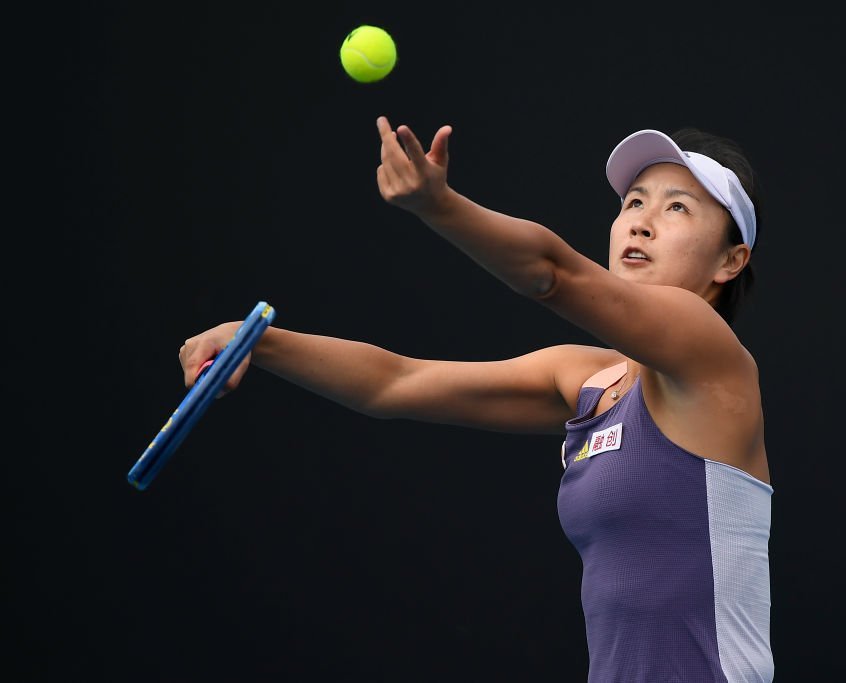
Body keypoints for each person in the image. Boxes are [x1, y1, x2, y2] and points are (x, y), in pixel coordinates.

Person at [179, 116, 774, 682]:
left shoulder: (712, 359)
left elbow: (552, 273)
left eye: (677, 207)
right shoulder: (588, 382)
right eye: (634, 203)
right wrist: (255, 340)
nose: (641, 223)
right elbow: (392, 383)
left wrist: (438, 205)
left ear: (731, 260)